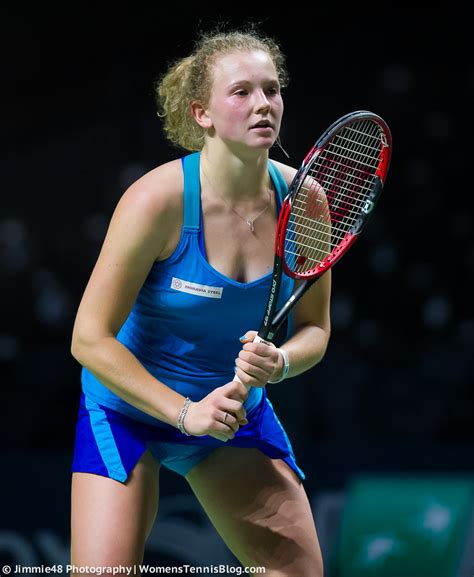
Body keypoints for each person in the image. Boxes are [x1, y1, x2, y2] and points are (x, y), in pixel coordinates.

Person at [70, 26, 331, 577]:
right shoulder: (156, 201)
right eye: (241, 92)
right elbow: (88, 338)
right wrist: (185, 412)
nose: (263, 104)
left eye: (272, 89)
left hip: (231, 419)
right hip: (128, 413)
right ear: (201, 114)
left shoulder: (305, 203)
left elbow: (315, 330)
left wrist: (280, 363)